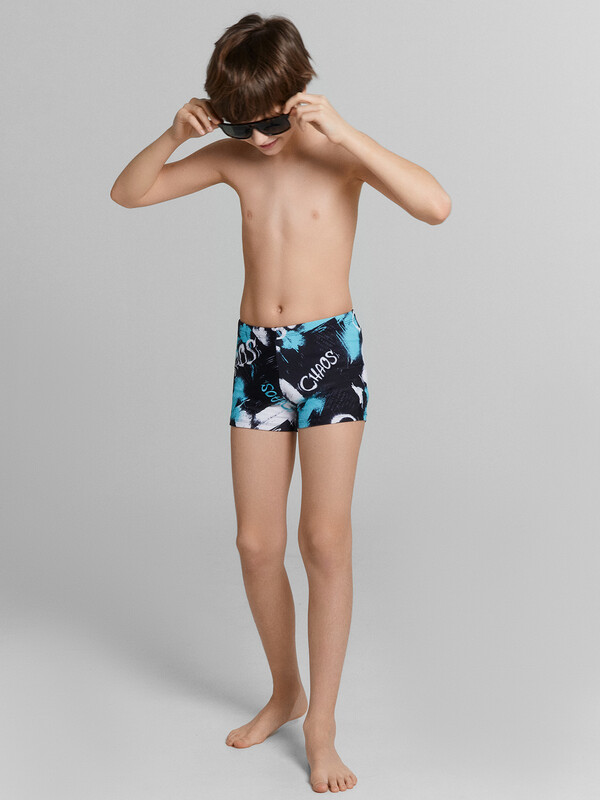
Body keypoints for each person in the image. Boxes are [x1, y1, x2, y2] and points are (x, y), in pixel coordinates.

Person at [110, 12, 451, 794]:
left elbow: (435, 206)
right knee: (256, 544)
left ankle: (321, 725)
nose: (259, 138)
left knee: (324, 540)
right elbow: (129, 194)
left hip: (328, 355)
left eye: (270, 121)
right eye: (241, 124)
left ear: (300, 95)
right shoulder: (233, 156)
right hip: (258, 358)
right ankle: (285, 690)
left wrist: (346, 131)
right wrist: (175, 135)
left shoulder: (336, 153)